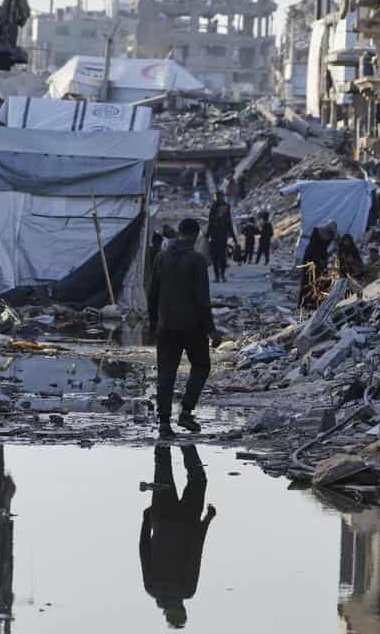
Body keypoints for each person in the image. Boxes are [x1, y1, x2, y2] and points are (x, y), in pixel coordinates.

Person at [147, 218, 219, 438]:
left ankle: (164, 424)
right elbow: (202, 300)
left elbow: (152, 296)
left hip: (166, 326)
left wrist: (153, 326)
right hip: (193, 328)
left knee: (166, 374)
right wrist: (211, 330)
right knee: (201, 366)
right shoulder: (197, 260)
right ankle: (186, 411)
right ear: (196, 236)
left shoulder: (161, 257)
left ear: (179, 233)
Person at [140, 445, 216, 629]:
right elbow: (144, 550)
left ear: (182, 612)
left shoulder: (187, 590)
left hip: (187, 521)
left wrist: (207, 520)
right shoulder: (152, 589)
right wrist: (146, 520)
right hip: (161, 519)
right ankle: (163, 434)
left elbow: (195, 553)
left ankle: (187, 445)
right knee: (162, 473)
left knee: (198, 480)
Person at [299, 221, 337, 309]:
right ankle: (304, 303)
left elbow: (326, 248)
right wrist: (318, 260)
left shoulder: (329, 234)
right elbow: (313, 250)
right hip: (310, 260)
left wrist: (325, 258)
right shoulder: (317, 233)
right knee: (307, 281)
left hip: (321, 261)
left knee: (321, 281)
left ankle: (316, 302)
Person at [205, 190, 237, 283]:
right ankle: (221, 276)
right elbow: (228, 222)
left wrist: (207, 235)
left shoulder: (215, 206)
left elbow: (211, 222)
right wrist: (233, 236)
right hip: (222, 235)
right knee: (221, 256)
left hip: (216, 236)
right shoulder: (225, 206)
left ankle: (218, 276)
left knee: (216, 257)